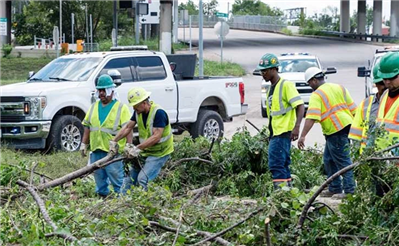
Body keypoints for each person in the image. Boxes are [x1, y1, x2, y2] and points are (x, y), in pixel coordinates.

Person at [298, 67, 357, 199]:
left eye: (309, 83)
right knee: (329, 160)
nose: (309, 86)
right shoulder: (339, 87)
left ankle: (350, 191)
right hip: (345, 126)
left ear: (313, 80)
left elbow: (312, 117)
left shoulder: (317, 94)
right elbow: (354, 109)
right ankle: (334, 188)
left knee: (343, 161)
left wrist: (302, 136)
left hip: (336, 130)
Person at [110, 87, 174, 192]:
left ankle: (144, 204)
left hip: (159, 153)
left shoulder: (159, 113)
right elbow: (127, 127)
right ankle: (122, 203)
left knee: (143, 179)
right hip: (146, 151)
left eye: (136, 106)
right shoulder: (138, 112)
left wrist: (137, 148)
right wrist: (114, 141)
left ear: (144, 103)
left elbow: (156, 137)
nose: (134, 108)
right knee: (129, 180)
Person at [257, 53, 305, 189]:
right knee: (282, 164)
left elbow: (300, 106)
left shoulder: (285, 85)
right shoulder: (270, 89)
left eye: (265, 70)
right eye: (261, 71)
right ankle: (287, 194)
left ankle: (281, 195)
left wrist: (297, 127)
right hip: (276, 134)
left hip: (283, 133)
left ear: (274, 69)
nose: (263, 74)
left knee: (276, 165)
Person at [80, 74, 132, 198]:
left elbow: (128, 128)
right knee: (99, 178)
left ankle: (121, 200)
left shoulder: (121, 108)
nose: (102, 93)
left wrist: (129, 145)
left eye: (104, 90)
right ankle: (103, 199)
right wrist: (84, 144)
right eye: (100, 90)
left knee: (116, 178)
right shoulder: (93, 107)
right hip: (96, 149)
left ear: (111, 91)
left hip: (112, 151)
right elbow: (87, 127)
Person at [349, 62, 387, 154]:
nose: (386, 85)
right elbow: (356, 134)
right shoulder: (365, 104)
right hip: (369, 157)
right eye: (382, 83)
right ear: (376, 84)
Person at [375, 52, 399, 156]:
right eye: (384, 79)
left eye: (391, 78)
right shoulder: (384, 95)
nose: (387, 82)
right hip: (383, 159)